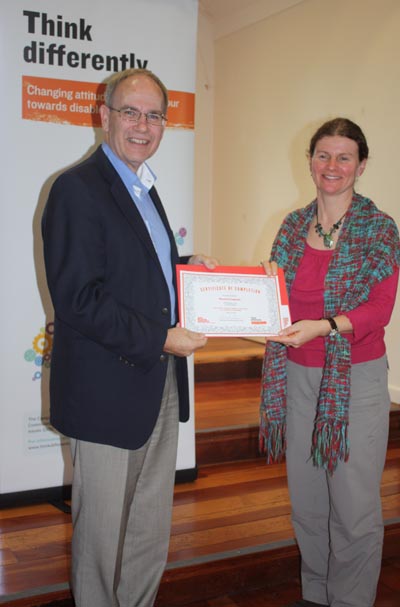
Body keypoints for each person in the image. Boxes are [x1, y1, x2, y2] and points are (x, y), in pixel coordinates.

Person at [42, 67, 218, 607]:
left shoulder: (142, 185)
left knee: (149, 522)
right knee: (99, 536)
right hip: (106, 388)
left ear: (165, 123)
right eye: (130, 112)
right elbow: (79, 299)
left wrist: (188, 269)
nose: (142, 125)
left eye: (154, 115)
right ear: (105, 116)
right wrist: (163, 338)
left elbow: (136, 270)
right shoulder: (76, 188)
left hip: (156, 381)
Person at [260, 117, 400, 607]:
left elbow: (377, 310)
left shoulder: (380, 229)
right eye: (323, 155)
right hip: (296, 375)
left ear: (361, 165)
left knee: (354, 505)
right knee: (309, 501)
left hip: (354, 380)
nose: (332, 166)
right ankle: (316, 595)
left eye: (344, 157)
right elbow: (271, 298)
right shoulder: (293, 226)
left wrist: (324, 326)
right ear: (311, 162)